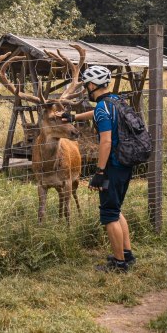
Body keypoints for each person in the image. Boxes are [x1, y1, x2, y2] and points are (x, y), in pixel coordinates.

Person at [65, 65, 134, 272]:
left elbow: (105, 142)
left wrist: (99, 172)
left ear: (93, 85)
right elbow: (97, 112)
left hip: (111, 166)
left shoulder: (104, 108)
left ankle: (119, 263)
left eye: (87, 85)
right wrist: (74, 118)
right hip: (125, 163)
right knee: (116, 209)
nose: (86, 89)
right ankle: (127, 255)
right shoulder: (117, 102)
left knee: (108, 214)